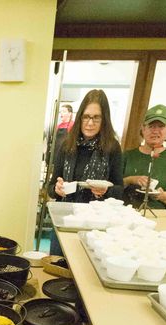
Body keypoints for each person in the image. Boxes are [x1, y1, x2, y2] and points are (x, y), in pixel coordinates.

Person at [47, 89, 124, 254]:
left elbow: (119, 190)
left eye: (96, 117)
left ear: (105, 120)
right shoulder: (67, 145)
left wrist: (106, 190)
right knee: (57, 269)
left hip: (96, 227)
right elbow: (51, 186)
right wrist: (57, 189)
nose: (90, 123)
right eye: (86, 116)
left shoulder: (112, 147)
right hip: (65, 220)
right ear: (80, 117)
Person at [123, 104, 166, 209]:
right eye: (151, 126)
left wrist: (162, 195)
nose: (155, 131)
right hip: (125, 213)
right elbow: (112, 186)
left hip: (158, 217)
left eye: (161, 126)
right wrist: (131, 179)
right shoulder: (127, 156)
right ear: (143, 128)